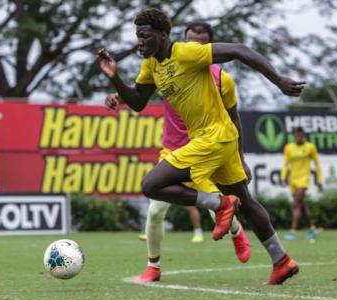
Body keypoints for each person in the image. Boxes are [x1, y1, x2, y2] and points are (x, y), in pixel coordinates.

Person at [97, 8, 305, 285]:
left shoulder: (187, 53)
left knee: (151, 185)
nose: (140, 42)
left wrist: (279, 80)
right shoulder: (151, 66)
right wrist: (114, 77)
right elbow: (137, 102)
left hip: (215, 138)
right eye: (137, 36)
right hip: (212, 140)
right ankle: (281, 261)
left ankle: (220, 204)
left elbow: (240, 50)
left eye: (145, 36)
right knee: (248, 202)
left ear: (162, 35)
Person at [106, 21, 251, 283]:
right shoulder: (167, 66)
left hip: (209, 147)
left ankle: (236, 233)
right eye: (190, 42)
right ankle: (153, 266)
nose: (194, 48)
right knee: (155, 211)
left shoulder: (220, 78)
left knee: (216, 208)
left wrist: (241, 157)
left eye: (201, 44)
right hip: (174, 149)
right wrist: (121, 96)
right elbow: (142, 96)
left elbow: (234, 119)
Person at [281, 127, 323, 240]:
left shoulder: (310, 147)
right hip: (293, 180)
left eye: (300, 135)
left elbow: (317, 164)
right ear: (294, 135)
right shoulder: (289, 148)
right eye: (296, 135)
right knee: (302, 205)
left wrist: (319, 180)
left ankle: (292, 231)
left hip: (304, 179)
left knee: (296, 204)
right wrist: (283, 176)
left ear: (304, 135)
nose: (298, 137)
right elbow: (286, 164)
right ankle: (312, 228)